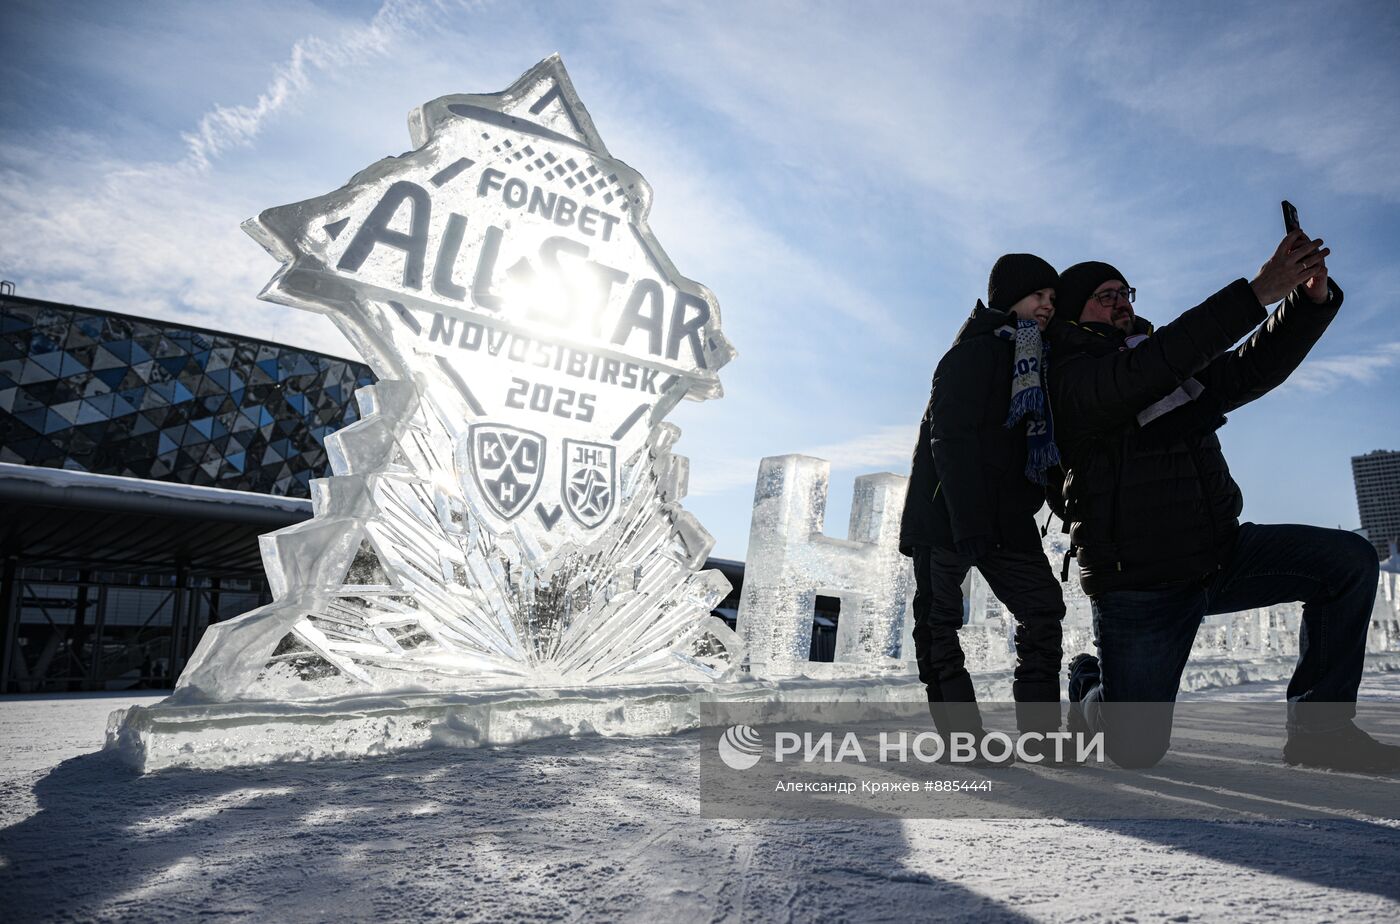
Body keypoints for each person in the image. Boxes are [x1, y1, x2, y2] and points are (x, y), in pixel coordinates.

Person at [1048, 228, 1399, 771]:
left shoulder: (1158, 358)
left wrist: (1307, 303)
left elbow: (1244, 371)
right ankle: (1091, 686)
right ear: (1075, 312)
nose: (1122, 303)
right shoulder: (1070, 374)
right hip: (1140, 581)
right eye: (1106, 295)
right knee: (1134, 750)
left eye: (1126, 292)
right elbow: (1145, 372)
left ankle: (1321, 731)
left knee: (1347, 562)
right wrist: (1258, 291)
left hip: (1220, 554)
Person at [899, 253, 1068, 759]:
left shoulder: (1037, 360)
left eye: (1053, 300)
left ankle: (1039, 735)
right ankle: (962, 741)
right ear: (1008, 297)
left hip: (1008, 517)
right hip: (948, 513)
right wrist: (968, 519)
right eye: (1038, 295)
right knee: (938, 623)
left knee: (1043, 611)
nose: (1047, 306)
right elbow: (949, 439)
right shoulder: (971, 354)